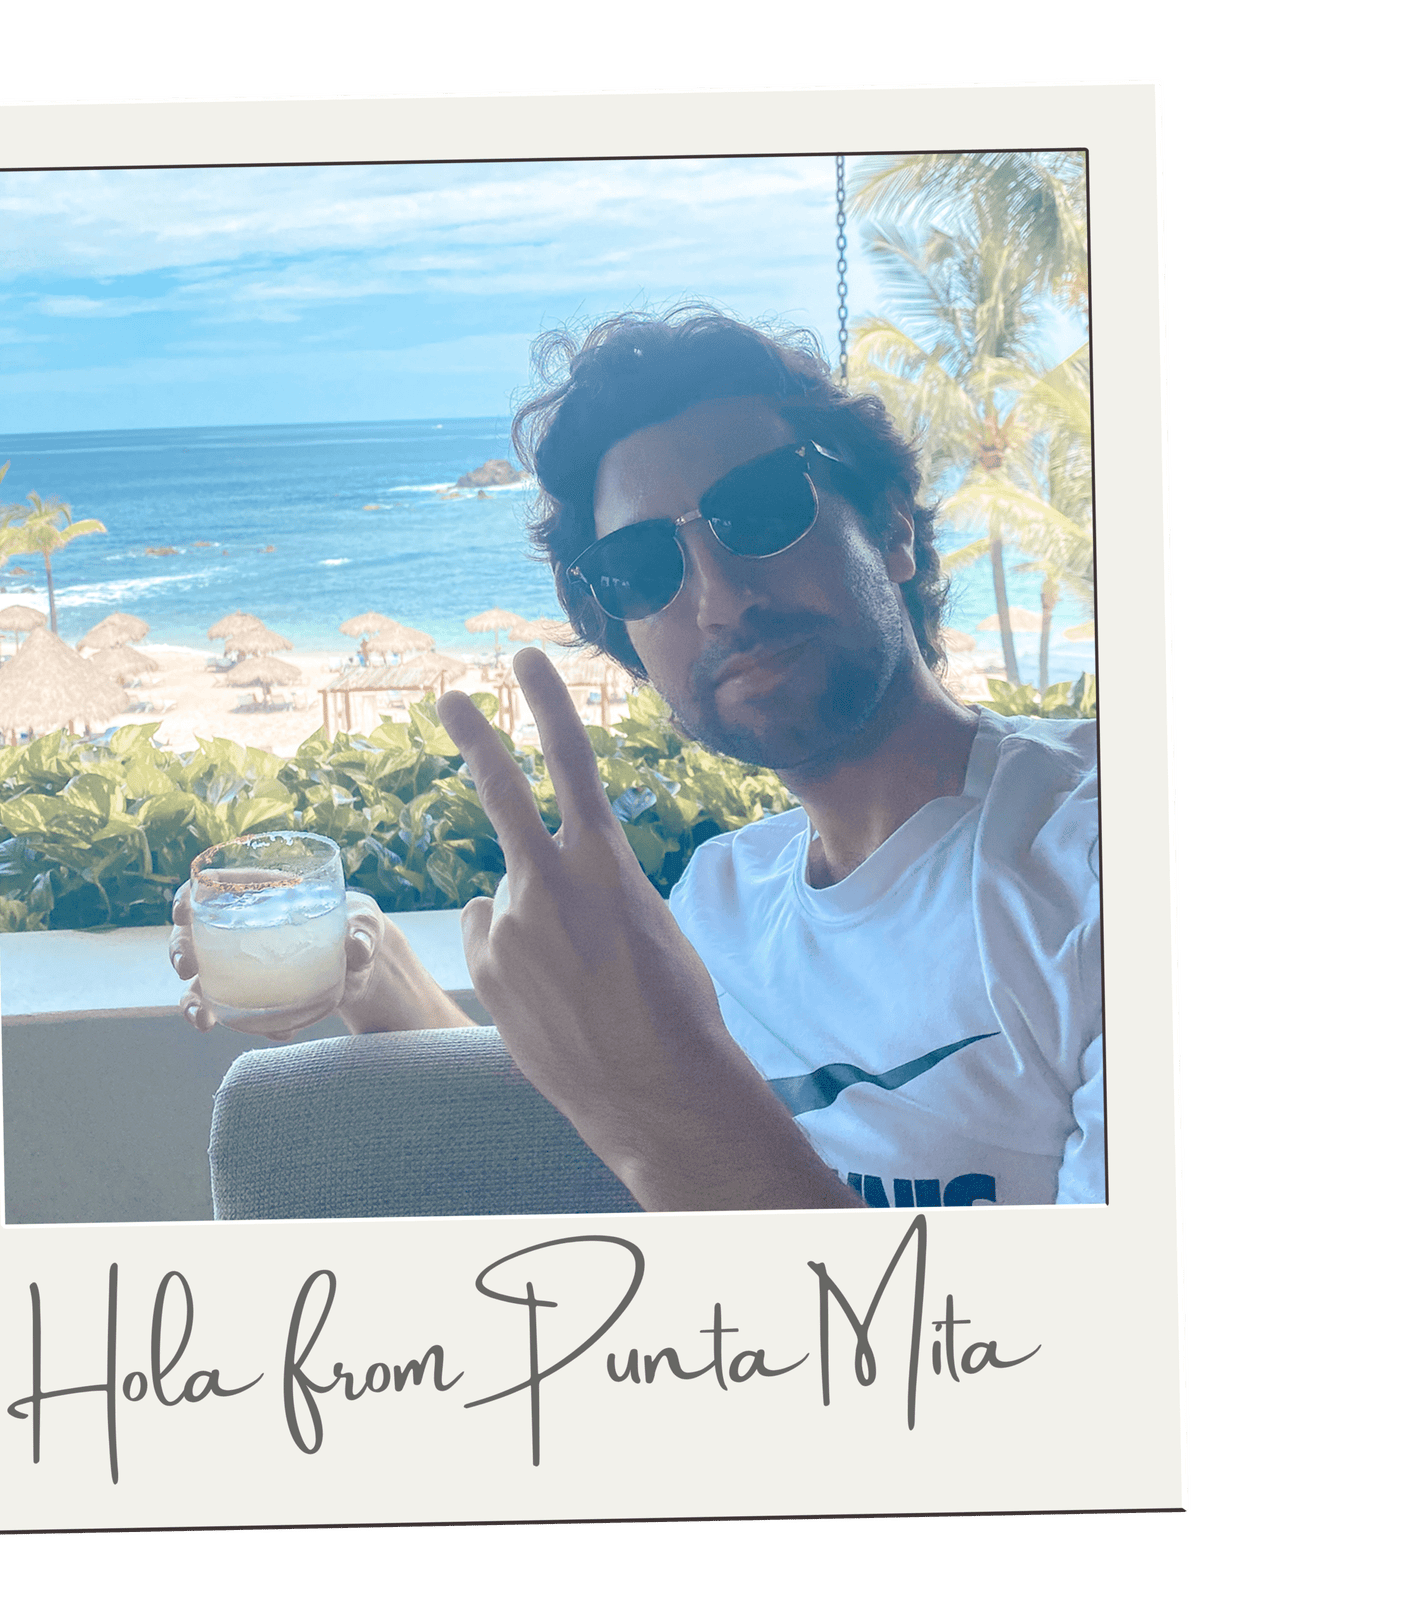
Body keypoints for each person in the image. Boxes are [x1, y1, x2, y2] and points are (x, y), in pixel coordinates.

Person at [174, 307, 1103, 1214]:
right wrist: (377, 975)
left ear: (892, 530)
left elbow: (1102, 1325)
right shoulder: (717, 907)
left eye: (761, 511)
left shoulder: (1104, 863)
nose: (720, 600)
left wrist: (664, 1123)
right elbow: (600, 1124)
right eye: (643, 568)